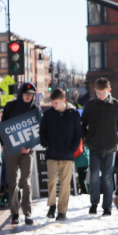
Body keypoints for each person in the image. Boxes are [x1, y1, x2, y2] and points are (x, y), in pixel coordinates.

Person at [81, 78, 118, 216]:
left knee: (107, 177)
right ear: (95, 91)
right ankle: (94, 204)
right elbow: (82, 124)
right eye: (98, 93)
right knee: (94, 175)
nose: (101, 95)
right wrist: (85, 137)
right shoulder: (89, 105)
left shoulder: (116, 105)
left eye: (104, 92)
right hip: (93, 144)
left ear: (109, 90)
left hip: (110, 145)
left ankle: (107, 206)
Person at [39, 89, 82, 221]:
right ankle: (52, 205)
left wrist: (73, 148)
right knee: (52, 180)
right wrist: (46, 144)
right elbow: (42, 131)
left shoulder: (73, 114)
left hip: (67, 153)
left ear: (63, 101)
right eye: (52, 102)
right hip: (52, 152)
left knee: (65, 183)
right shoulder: (49, 114)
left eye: (56, 102)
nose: (54, 105)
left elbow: (78, 133)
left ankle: (62, 211)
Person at [1, 82, 41, 225]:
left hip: (27, 151)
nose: (28, 97)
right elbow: (3, 126)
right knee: (13, 183)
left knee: (26, 182)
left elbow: (38, 130)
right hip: (11, 150)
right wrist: (3, 144)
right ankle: (14, 213)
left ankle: (28, 213)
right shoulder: (10, 107)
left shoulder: (36, 109)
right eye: (26, 94)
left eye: (31, 95)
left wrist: (30, 147)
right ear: (20, 94)